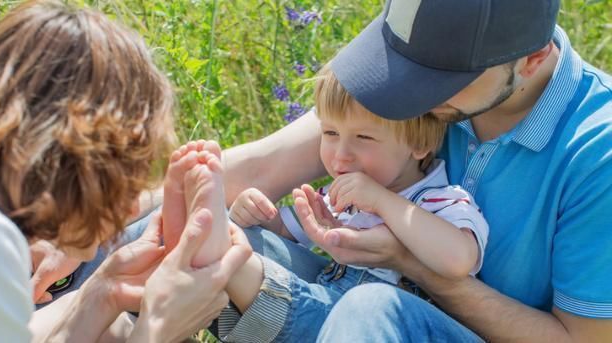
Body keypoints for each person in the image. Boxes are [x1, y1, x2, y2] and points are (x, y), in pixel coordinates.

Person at [222, 0, 612, 341]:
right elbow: (259, 168)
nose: (412, 91)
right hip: (348, 309)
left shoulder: (598, 151)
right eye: (404, 65)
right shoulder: (432, 50)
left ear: (533, 60)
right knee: (201, 233)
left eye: (444, 78)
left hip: (387, 317)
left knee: (370, 308)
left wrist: (408, 261)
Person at [0, 1, 250, 341]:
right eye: (129, 175)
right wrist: (159, 329)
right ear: (83, 158)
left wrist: (104, 293)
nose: (133, 207)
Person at [211, 61, 489, 342]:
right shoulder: (340, 194)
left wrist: (382, 201)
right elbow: (284, 231)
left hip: (382, 328)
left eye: (364, 137)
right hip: (330, 311)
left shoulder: (440, 199)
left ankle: (251, 289)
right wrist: (257, 214)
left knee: (355, 305)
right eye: (330, 133)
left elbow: (459, 260)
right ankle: (232, 274)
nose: (341, 155)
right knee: (238, 236)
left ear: (418, 145)